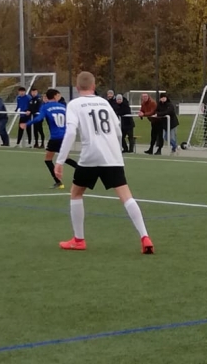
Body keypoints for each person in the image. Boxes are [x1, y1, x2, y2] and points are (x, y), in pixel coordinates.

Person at [55, 71, 154, 253]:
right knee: (126, 196)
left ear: (77, 88)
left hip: (90, 155)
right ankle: (145, 236)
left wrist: (60, 160)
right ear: (94, 87)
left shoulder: (74, 104)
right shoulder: (104, 103)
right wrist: (116, 151)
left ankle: (79, 240)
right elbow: (117, 130)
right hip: (112, 156)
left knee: (76, 193)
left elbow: (70, 132)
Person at [24, 88, 78, 188]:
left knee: (48, 159)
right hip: (65, 136)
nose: (59, 97)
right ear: (55, 96)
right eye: (58, 95)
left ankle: (58, 182)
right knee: (65, 158)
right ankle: (83, 172)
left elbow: (39, 118)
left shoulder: (45, 107)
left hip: (55, 137)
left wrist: (27, 124)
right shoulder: (63, 106)